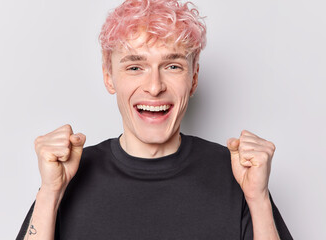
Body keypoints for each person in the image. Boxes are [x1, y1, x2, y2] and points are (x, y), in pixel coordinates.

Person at [17, 0, 293, 239]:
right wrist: (50, 194)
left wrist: (258, 199)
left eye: (172, 66)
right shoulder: (68, 177)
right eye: (135, 67)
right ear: (108, 76)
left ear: (193, 78)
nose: (154, 86)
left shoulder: (238, 175)